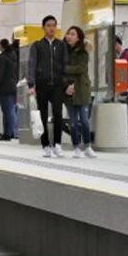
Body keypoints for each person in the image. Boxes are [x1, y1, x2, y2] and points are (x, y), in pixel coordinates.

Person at [28, 15, 68, 157]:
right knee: (43, 115)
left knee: (58, 114)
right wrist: (31, 84)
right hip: (41, 84)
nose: (52, 28)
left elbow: (65, 65)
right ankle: (45, 145)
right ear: (43, 28)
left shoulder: (61, 45)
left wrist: (66, 83)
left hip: (57, 85)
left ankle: (57, 144)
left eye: (54, 25)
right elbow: (31, 64)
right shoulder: (37, 46)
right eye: (49, 25)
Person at [63, 26, 96, 158]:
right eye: (68, 33)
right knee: (72, 121)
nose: (69, 36)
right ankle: (76, 147)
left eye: (72, 34)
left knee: (84, 120)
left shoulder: (83, 53)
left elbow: (80, 69)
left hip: (82, 89)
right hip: (67, 90)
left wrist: (65, 68)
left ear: (78, 38)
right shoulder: (61, 52)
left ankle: (88, 146)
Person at [0, 38, 19, 140]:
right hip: (13, 86)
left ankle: (8, 134)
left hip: (4, 87)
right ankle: (11, 132)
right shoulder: (14, 57)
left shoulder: (2, 58)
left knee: (8, 111)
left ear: (1, 46)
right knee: (12, 110)